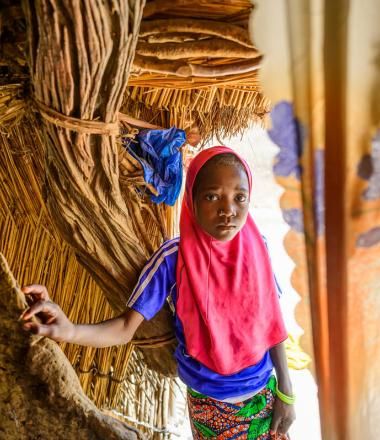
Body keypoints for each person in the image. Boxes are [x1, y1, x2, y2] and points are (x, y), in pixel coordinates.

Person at [21, 146, 296, 439]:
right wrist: (69, 331)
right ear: (191, 198)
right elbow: (126, 328)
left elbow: (273, 324)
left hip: (265, 396)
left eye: (239, 197)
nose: (228, 210)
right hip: (211, 406)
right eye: (212, 196)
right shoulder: (174, 259)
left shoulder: (258, 248)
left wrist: (287, 394)